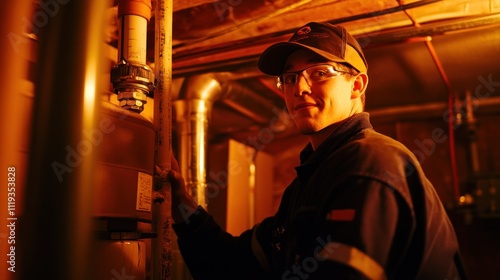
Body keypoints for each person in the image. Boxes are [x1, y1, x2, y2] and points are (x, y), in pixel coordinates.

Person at [167, 22, 467, 279]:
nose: (299, 88)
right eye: (290, 77)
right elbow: (238, 267)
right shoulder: (309, 180)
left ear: (357, 85)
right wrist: (181, 205)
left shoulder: (370, 163)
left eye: (320, 72)